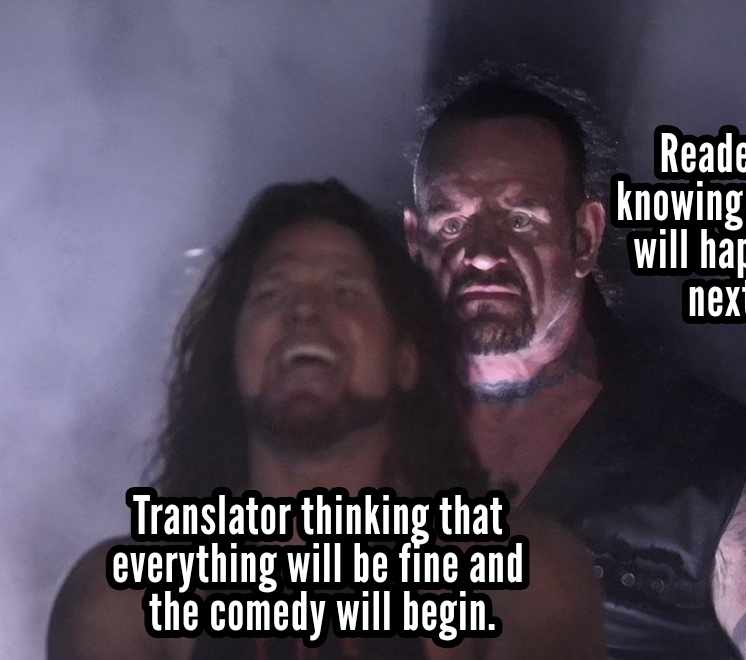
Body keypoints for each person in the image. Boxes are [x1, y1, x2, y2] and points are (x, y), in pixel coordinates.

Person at [48, 180, 605, 660]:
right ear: (232, 357)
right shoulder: (120, 601)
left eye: (346, 291)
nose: (305, 311)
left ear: (405, 358)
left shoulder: (526, 582)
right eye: (272, 293)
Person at [402, 70, 746, 660]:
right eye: (452, 223)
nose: (481, 254)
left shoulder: (712, 461)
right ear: (417, 243)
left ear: (584, 237)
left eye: (519, 219)